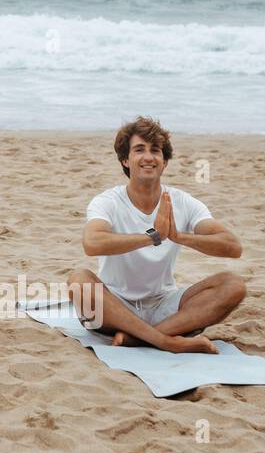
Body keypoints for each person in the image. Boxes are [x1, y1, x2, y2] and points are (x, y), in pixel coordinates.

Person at [68, 116, 247, 354]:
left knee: (233, 284)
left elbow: (232, 247)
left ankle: (139, 339)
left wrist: (178, 236)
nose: (149, 157)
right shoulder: (107, 201)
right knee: (79, 281)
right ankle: (165, 341)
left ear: (164, 162)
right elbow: (92, 243)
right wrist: (153, 236)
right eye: (139, 149)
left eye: (156, 150)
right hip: (114, 308)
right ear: (125, 160)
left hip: (164, 305)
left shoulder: (183, 201)